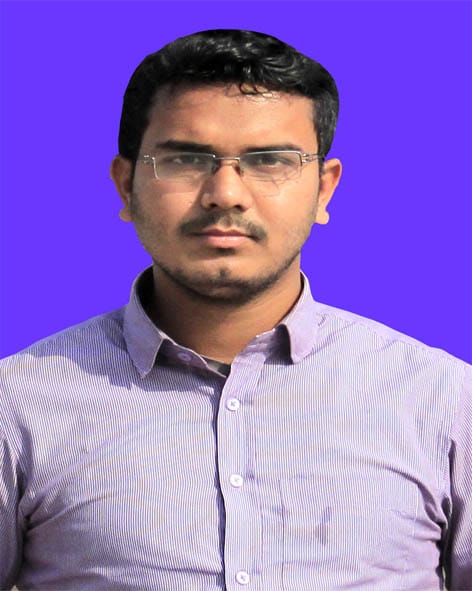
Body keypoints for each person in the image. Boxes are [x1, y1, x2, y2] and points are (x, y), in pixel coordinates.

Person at [0, 28, 470, 591]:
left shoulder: (445, 402)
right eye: (185, 158)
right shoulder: (17, 405)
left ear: (324, 190)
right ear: (126, 187)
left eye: (269, 160)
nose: (225, 193)